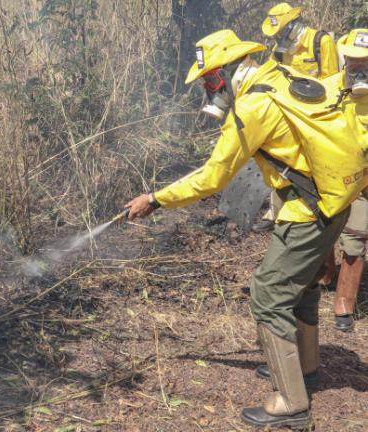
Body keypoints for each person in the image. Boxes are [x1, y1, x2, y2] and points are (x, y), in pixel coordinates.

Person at [125, 29, 368, 429]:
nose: (207, 90)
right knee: (303, 285)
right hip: (335, 202)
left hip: (309, 212)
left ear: (222, 74)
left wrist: (156, 199)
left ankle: (290, 402)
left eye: (208, 81)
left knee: (268, 294)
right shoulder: (282, 74)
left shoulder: (252, 108)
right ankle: (305, 369)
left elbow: (211, 178)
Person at [252, 2, 339, 233]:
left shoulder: (320, 41)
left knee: (313, 164)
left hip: (314, 115)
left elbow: (331, 81)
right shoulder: (279, 49)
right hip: (287, 113)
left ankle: (320, 205)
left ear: (292, 25)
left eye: (281, 30)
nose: (278, 36)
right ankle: (276, 211)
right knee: (279, 160)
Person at [324, 29, 368, 332]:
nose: (357, 65)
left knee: (355, 240)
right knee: (322, 231)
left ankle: (344, 306)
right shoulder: (328, 88)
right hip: (331, 175)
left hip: (364, 180)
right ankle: (323, 279)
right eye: (352, 59)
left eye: (364, 60)